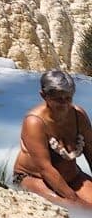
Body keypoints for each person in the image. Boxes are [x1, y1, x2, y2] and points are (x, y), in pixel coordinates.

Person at [13, 70, 92, 207]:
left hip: (73, 177)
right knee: (82, 211)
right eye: (58, 99)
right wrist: (75, 200)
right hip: (35, 178)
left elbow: (91, 152)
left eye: (68, 98)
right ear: (44, 96)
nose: (64, 104)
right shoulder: (34, 122)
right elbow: (45, 168)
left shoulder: (79, 115)